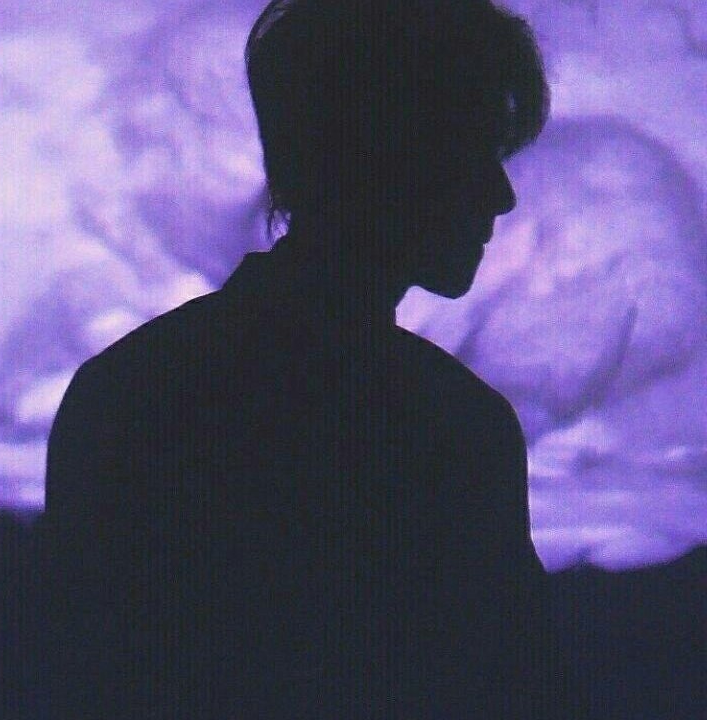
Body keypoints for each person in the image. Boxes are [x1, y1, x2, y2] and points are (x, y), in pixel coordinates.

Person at [39, 1, 555, 718]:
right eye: (471, 151)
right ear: (383, 155)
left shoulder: (125, 393)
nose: (501, 195)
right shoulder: (455, 432)